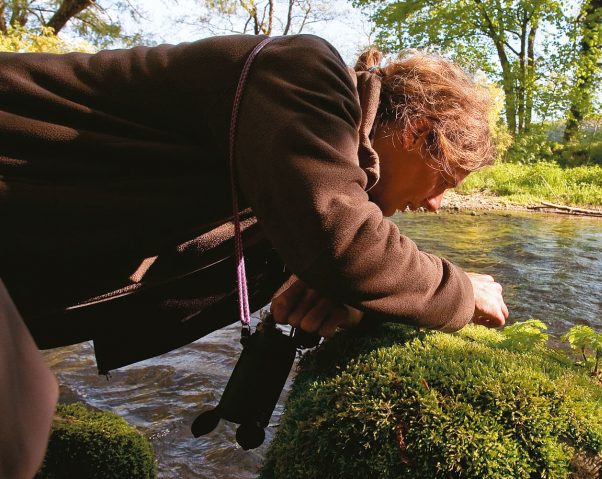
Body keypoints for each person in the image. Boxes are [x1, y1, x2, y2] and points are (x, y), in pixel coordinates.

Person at [1, 33, 508, 475]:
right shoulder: (305, 71)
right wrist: (461, 291)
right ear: (420, 132)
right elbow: (343, 241)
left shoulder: (298, 165)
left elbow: (334, 253)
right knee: (15, 434)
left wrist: (347, 295)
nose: (435, 204)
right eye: (445, 180)